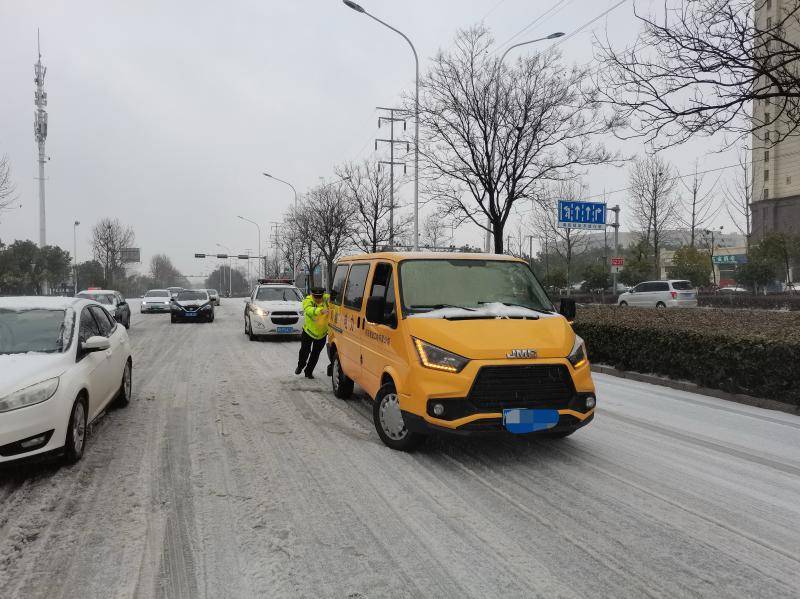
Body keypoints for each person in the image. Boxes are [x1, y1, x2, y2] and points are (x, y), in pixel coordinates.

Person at [296, 287, 330, 379]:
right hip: (308, 331)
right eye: (316, 297)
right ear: (312, 295)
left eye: (320, 297)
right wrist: (320, 310)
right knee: (304, 351)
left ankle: (308, 371)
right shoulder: (308, 300)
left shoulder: (326, 299)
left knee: (315, 354)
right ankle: (300, 365)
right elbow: (308, 310)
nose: (318, 299)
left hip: (322, 333)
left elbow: (333, 300)